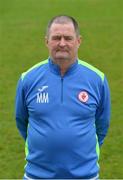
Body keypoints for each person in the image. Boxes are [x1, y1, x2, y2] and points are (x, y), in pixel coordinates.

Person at [15, 15, 111, 179]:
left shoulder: (97, 79)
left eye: (68, 38)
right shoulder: (28, 79)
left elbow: (102, 125)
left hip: (84, 176)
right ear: (47, 41)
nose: (62, 43)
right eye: (56, 38)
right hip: (37, 175)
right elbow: (21, 120)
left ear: (78, 41)